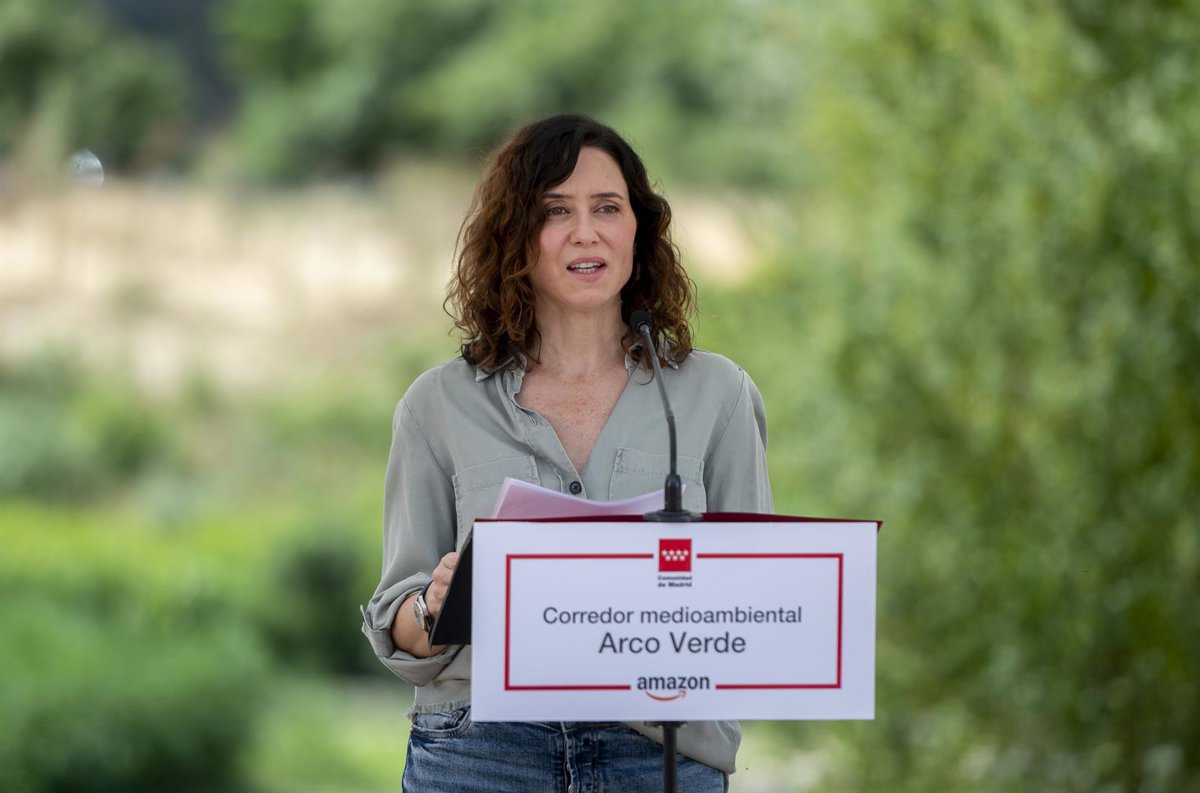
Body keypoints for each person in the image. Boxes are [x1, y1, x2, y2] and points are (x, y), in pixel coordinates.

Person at [361, 114, 773, 792]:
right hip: (482, 750)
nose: (587, 231)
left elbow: (754, 600)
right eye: (556, 211)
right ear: (516, 236)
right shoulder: (437, 405)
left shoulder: (716, 395)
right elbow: (396, 624)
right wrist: (434, 606)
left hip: (659, 749)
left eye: (607, 207)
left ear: (637, 229)